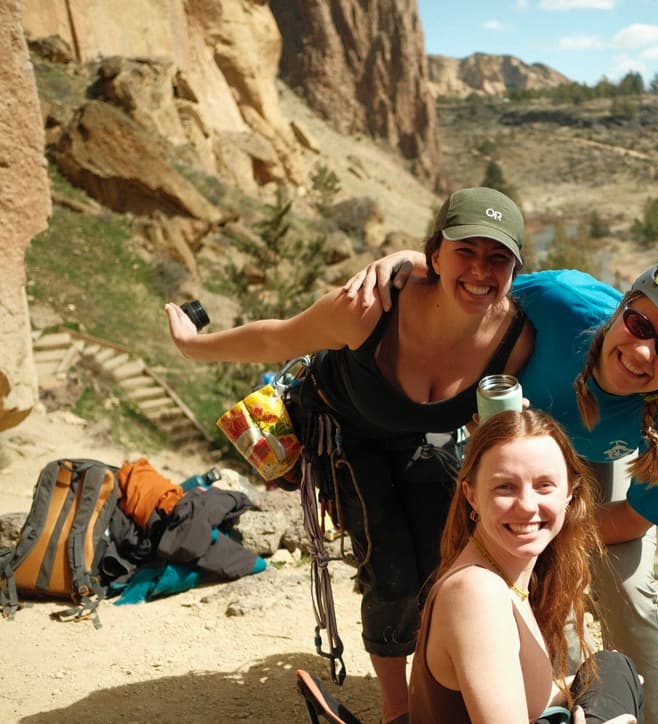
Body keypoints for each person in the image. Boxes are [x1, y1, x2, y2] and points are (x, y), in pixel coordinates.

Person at [165, 187, 534, 724]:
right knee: (392, 571)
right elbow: (277, 339)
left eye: (498, 257)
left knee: (450, 559)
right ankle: (397, 710)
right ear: (435, 255)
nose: (480, 269)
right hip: (343, 433)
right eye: (466, 251)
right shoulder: (370, 309)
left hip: (418, 441)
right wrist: (192, 345)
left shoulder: (513, 342)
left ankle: (439, 690)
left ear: (515, 269)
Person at [347, 252, 658, 724]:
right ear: (622, 306)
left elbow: (637, 517)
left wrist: (557, 530)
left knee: (628, 589)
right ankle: (547, 695)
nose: (641, 352)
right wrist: (409, 261)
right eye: (639, 324)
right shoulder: (562, 300)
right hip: (529, 453)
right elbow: (474, 285)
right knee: (530, 568)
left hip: (594, 465)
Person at [409, 407, 642, 724]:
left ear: (569, 494)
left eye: (544, 485)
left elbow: (522, 696)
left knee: (613, 669)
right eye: (504, 487)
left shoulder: (506, 577)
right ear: (471, 495)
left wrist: (612, 684)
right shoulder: (477, 593)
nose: (527, 506)